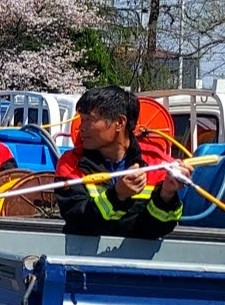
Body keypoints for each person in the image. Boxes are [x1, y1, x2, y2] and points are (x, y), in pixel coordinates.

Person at [55, 85, 192, 238]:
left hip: (138, 253)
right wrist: (117, 196)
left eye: (89, 120)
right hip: (83, 252)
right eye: (82, 120)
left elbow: (157, 229)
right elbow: (77, 220)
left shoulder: (158, 165)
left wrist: (166, 195)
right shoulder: (70, 163)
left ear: (120, 122)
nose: (81, 128)